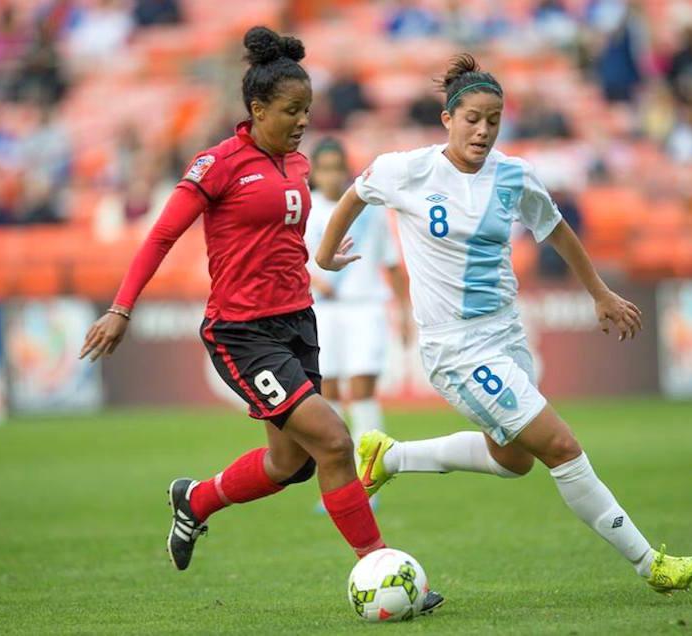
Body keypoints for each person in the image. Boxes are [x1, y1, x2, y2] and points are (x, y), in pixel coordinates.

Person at [78, 26, 443, 612]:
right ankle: (383, 568)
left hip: (298, 321)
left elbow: (291, 242)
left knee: (288, 463)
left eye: (307, 111)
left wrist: (323, 257)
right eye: (290, 111)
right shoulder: (217, 164)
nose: (302, 122)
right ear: (256, 109)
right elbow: (163, 235)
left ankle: (194, 502)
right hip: (241, 332)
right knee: (333, 440)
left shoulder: (296, 164)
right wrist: (122, 308)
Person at [316, 54, 692, 594]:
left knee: (513, 460)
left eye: (494, 119)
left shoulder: (515, 176)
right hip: (455, 349)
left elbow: (557, 230)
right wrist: (325, 252)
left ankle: (391, 455)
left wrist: (600, 293)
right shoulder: (407, 170)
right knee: (562, 448)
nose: (483, 130)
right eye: (473, 118)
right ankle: (651, 564)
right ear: (447, 119)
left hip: (506, 334)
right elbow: (355, 194)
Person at [304, 138, 410, 473]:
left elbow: (392, 262)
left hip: (366, 307)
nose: (331, 176)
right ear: (315, 174)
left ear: (346, 171)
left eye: (337, 168)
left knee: (363, 387)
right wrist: (312, 279)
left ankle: (370, 470)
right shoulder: (306, 210)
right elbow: (292, 261)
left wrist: (405, 314)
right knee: (329, 390)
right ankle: (338, 474)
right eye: (325, 169)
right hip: (323, 309)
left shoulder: (370, 210)